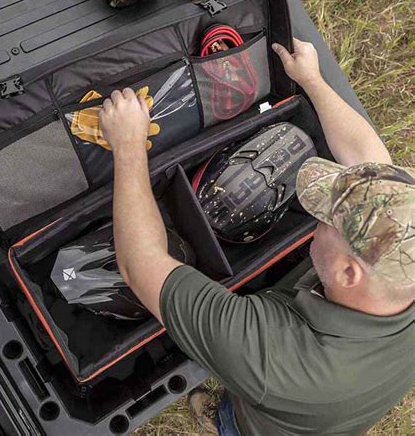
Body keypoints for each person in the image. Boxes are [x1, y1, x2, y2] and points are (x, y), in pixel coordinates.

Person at [98, 38, 414, 435]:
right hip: (340, 399)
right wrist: (311, 80)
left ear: (350, 273)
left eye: (325, 217)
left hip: (275, 412)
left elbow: (140, 264)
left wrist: (127, 145)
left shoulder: (275, 357)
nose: (315, 214)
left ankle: (224, 421)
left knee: (243, 422)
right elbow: (371, 160)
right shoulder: (401, 265)